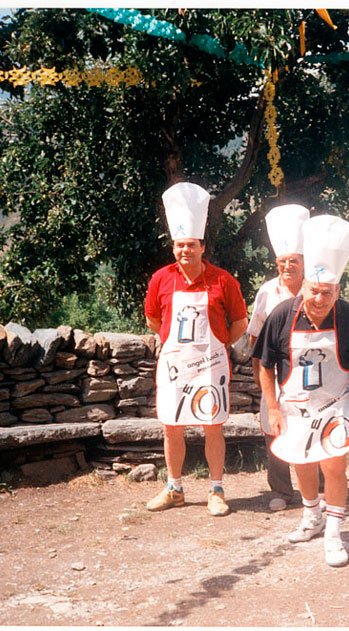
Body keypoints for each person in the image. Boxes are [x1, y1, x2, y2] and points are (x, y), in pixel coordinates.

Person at [253, 214, 349, 567]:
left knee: (334, 466)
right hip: (295, 406)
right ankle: (311, 516)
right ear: (303, 286)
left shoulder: (348, 316)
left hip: (338, 404)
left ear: (338, 291)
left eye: (327, 293)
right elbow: (264, 365)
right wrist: (273, 408)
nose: (319, 299)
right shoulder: (279, 315)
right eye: (313, 291)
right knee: (302, 463)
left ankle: (334, 534)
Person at [144, 182, 249, 516]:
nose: (184, 250)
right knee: (171, 426)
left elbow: (240, 323)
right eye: (178, 245)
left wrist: (218, 346)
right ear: (173, 247)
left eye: (190, 245)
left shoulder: (222, 280)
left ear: (203, 246)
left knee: (212, 426)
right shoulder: (161, 279)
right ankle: (174, 487)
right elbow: (152, 319)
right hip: (175, 364)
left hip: (210, 364)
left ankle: (216, 489)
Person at [248, 204, 309, 511]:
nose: (288, 266)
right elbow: (254, 338)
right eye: (283, 261)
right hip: (275, 375)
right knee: (276, 431)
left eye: (294, 261)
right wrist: (265, 382)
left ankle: (320, 489)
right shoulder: (267, 293)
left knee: (315, 426)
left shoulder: (317, 290)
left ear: (304, 262)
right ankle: (282, 491)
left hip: (311, 374)